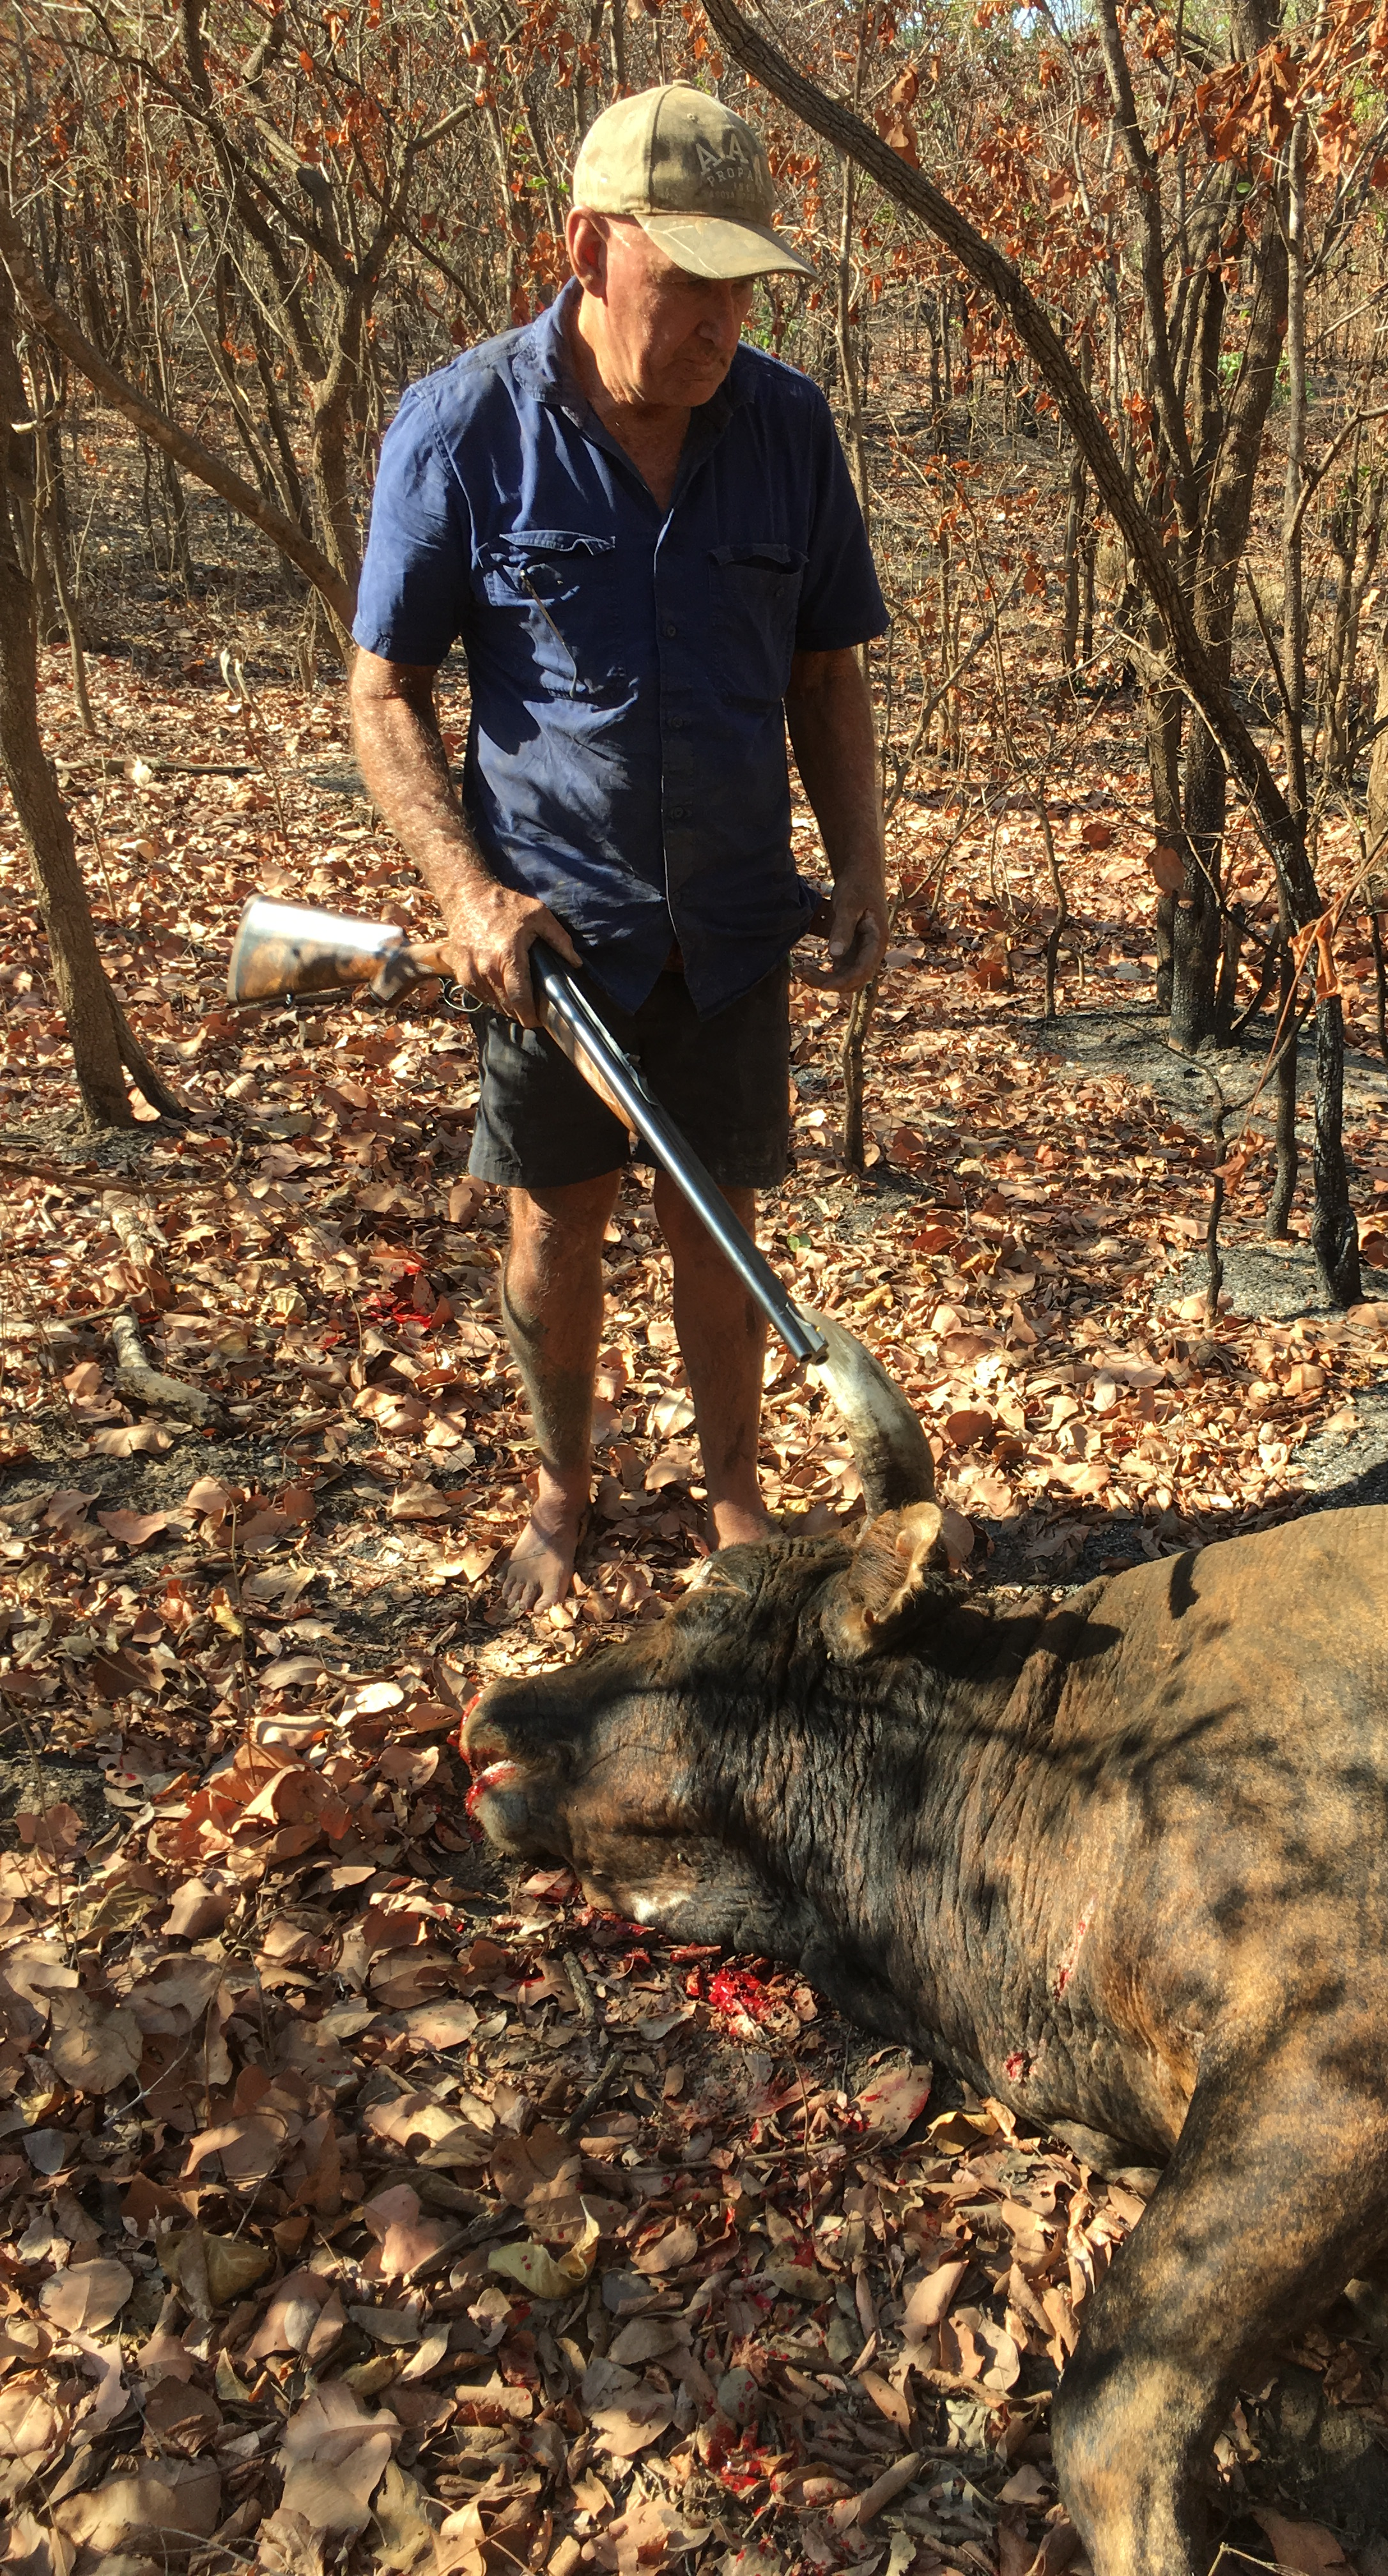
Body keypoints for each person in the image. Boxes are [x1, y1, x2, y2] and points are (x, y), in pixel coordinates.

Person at [348, 84, 889, 1616]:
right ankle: (562, 1487)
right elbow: (383, 687)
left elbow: (826, 673)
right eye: (688, 278)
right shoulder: (463, 428)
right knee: (550, 1236)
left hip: (727, 924)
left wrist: (857, 867)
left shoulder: (786, 430)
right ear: (588, 248)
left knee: (718, 1232)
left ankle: (735, 1508)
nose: (721, 319)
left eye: (742, 283)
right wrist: (468, 895)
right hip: (551, 945)